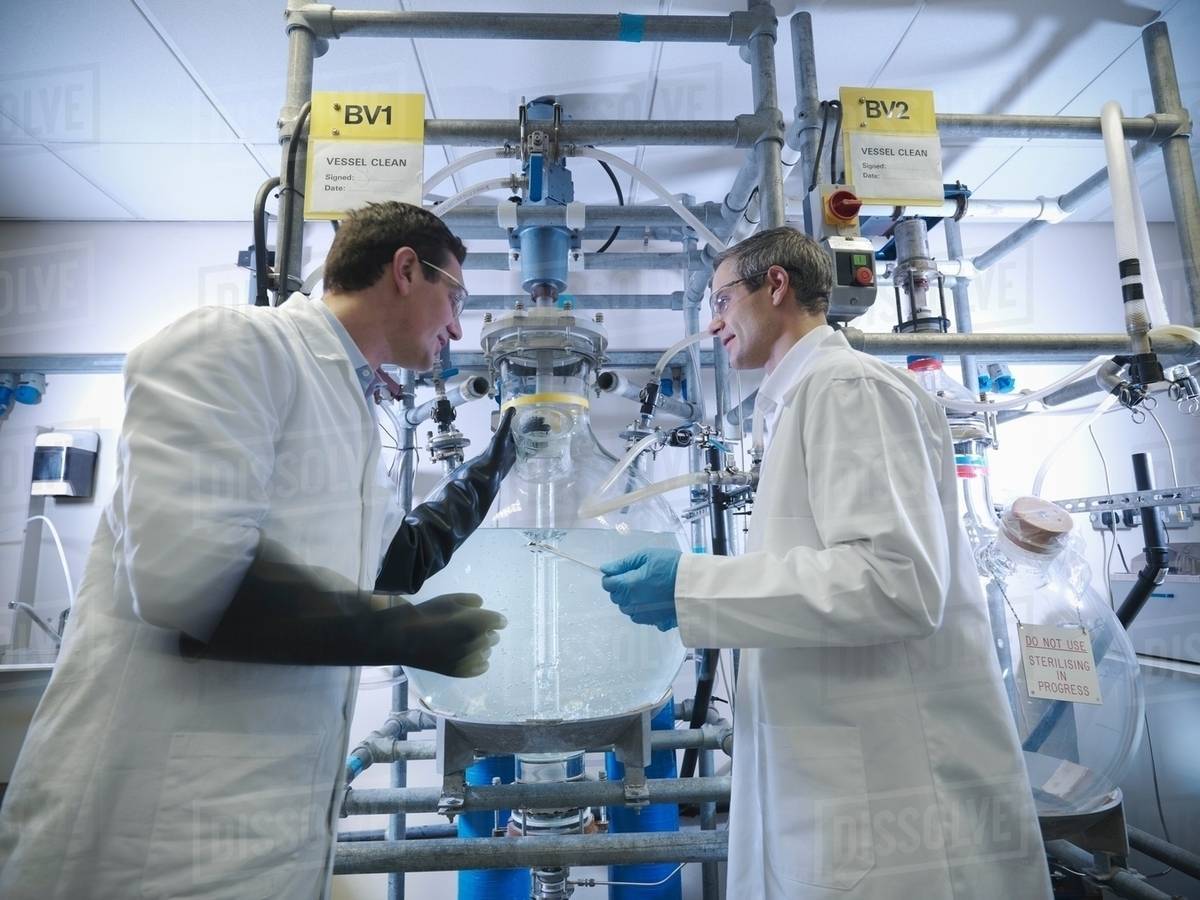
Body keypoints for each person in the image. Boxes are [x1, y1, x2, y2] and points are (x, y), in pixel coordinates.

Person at [0, 202, 514, 899]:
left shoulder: (353, 411)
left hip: (263, 834)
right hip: (148, 828)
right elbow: (189, 581)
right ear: (403, 270)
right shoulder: (235, 348)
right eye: (454, 296)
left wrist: (483, 478)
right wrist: (399, 630)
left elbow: (388, 562)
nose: (457, 325)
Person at [600, 227, 1052, 899]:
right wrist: (698, 590)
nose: (713, 324)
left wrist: (692, 586)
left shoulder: (848, 390)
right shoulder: (797, 403)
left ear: (775, 285)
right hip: (839, 782)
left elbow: (894, 584)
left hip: (893, 804)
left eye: (721, 300)